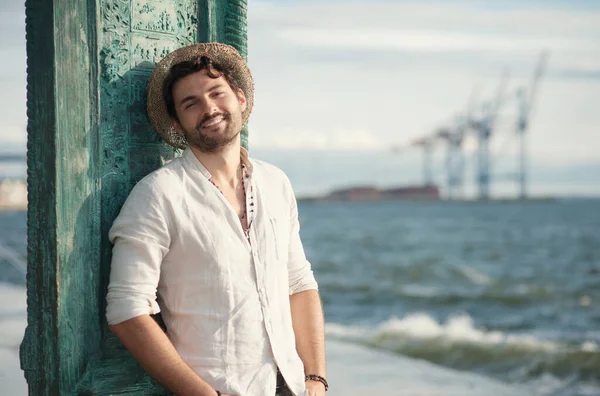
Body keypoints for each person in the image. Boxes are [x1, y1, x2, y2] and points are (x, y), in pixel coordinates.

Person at [105, 43, 327, 396]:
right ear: (178, 123)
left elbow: (298, 284)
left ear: (239, 98)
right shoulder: (158, 195)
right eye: (190, 103)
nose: (208, 108)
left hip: (295, 386)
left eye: (216, 93)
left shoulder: (275, 183)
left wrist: (316, 379)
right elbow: (126, 311)